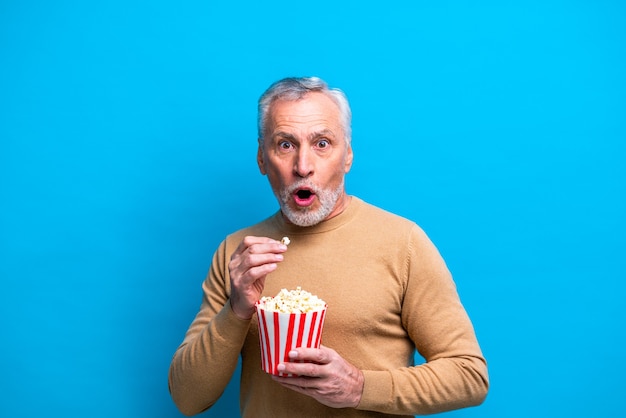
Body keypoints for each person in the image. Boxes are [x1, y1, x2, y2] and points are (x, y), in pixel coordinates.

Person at [168, 76, 489, 417]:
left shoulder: (403, 243)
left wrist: (359, 387)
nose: (303, 166)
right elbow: (188, 399)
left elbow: (469, 376)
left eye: (322, 143)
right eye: (285, 145)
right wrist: (237, 309)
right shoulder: (239, 253)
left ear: (347, 155)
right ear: (262, 159)